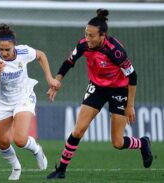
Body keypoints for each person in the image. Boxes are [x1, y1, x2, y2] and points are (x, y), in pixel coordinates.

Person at [46, 9, 153, 179]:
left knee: (117, 143)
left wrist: (130, 105)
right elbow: (69, 62)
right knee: (78, 130)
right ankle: (61, 170)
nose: (87, 39)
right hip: (97, 87)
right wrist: (56, 81)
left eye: (91, 36)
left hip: (119, 89)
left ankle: (142, 143)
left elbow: (132, 76)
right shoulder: (83, 45)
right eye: (86, 34)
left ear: (103, 35)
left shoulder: (115, 51)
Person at [0, 24, 60, 180]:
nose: (4, 53)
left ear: (14, 46)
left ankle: (37, 150)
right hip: (1, 101)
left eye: (8, 49)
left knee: (19, 140)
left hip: (23, 97)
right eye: (1, 49)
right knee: (3, 143)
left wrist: (49, 78)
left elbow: (41, 55)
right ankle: (16, 167)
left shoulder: (24, 51)